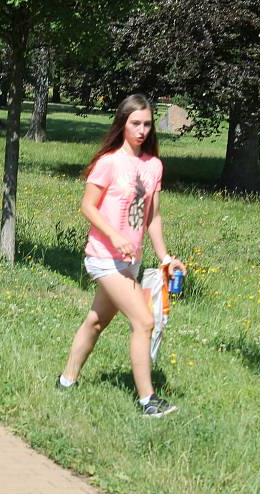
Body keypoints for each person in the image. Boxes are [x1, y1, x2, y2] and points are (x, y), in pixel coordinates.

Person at [57, 93, 186, 418]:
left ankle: (65, 382)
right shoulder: (109, 163)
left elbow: (152, 218)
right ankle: (148, 401)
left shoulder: (153, 165)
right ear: (123, 124)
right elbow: (87, 206)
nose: (141, 130)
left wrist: (165, 258)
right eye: (135, 123)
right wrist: (114, 236)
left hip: (131, 262)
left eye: (147, 124)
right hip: (103, 257)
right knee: (144, 321)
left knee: (96, 321)